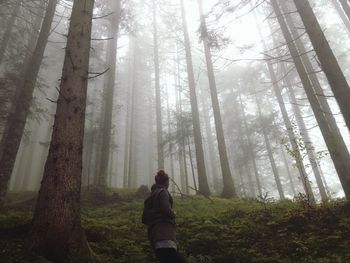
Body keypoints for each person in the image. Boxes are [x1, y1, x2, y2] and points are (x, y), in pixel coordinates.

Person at [142, 170, 187, 263]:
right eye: (168, 182)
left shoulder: (150, 196)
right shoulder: (163, 192)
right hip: (165, 236)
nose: (169, 184)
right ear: (165, 182)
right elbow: (166, 210)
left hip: (154, 236)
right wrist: (173, 213)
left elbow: (144, 219)